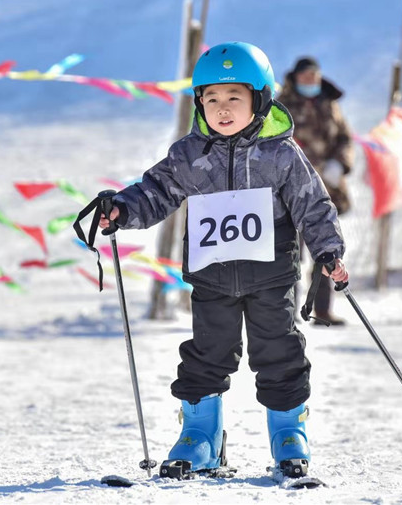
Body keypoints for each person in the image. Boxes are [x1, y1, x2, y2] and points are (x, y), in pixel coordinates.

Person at [98, 42, 348, 479]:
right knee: (206, 354)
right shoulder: (190, 154)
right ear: (199, 103)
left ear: (261, 99)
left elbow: (313, 204)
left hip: (271, 275)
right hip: (212, 278)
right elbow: (156, 191)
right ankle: (200, 437)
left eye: (235, 97)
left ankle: (289, 433)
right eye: (211, 99)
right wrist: (122, 208)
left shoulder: (281, 154)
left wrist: (328, 251)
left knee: (279, 351)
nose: (223, 108)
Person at [277, 56, 354, 327]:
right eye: (305, 76)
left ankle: (322, 311)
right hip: (289, 191)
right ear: (295, 77)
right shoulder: (280, 105)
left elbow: (345, 139)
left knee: (325, 250)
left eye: (315, 75)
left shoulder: (329, 105)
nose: (311, 80)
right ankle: (289, 312)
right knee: (289, 253)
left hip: (326, 189)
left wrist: (340, 164)